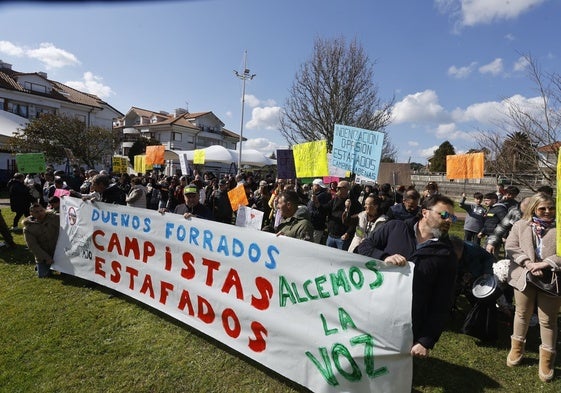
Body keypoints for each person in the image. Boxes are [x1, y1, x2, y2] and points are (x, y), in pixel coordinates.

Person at [357, 195, 459, 357]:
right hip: (374, 310)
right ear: (425, 213)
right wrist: (383, 257)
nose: (449, 221)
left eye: (452, 217)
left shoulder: (446, 255)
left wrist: (426, 340)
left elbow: (442, 301)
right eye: (445, 215)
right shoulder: (395, 228)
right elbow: (364, 247)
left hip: (407, 325)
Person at [504, 193, 561, 382]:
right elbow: (511, 247)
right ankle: (517, 349)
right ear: (534, 208)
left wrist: (545, 264)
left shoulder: (559, 227)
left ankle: (547, 360)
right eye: (542, 208)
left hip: (552, 281)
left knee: (548, 320)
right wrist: (528, 263)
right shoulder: (521, 225)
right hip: (524, 277)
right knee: (522, 314)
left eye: (551, 208)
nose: (547, 212)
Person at [319, 180, 362, 250]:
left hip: (343, 238)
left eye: (339, 188)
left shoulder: (354, 203)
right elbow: (325, 209)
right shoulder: (335, 199)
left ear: (346, 189)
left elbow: (356, 221)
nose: (337, 189)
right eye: (337, 187)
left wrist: (348, 233)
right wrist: (317, 204)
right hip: (331, 235)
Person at [23, 203, 60, 278]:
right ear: (31, 213)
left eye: (41, 210)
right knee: (44, 275)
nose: (40, 213)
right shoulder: (28, 228)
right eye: (36, 212)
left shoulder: (55, 218)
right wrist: (46, 258)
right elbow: (33, 246)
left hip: (59, 252)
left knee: (67, 273)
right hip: (43, 256)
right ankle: (40, 265)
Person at [307, 178, 332, 244]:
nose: (312, 187)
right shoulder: (317, 195)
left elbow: (321, 212)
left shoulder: (323, 196)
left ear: (318, 186)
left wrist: (309, 213)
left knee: (313, 245)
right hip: (312, 224)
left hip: (317, 225)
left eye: (314, 185)